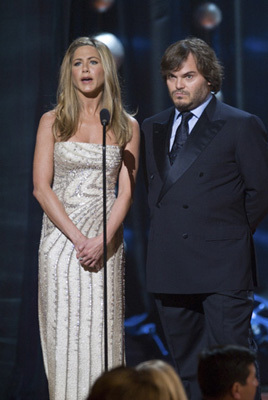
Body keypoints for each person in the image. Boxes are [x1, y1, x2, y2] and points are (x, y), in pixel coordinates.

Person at [141, 37, 268, 399]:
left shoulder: (240, 124)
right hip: (170, 266)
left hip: (223, 266)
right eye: (171, 77)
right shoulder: (153, 126)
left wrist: (228, 233)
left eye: (188, 76)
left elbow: (261, 191)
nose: (178, 85)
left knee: (233, 368)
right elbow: (156, 195)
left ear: (209, 78)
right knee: (187, 368)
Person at [33, 36, 140, 400]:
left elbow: (125, 193)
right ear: (69, 73)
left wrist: (102, 241)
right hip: (62, 246)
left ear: (105, 69)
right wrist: (80, 240)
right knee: (65, 338)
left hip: (106, 245)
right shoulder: (52, 121)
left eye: (92, 62)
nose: (85, 70)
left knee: (101, 336)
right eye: (77, 63)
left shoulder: (125, 125)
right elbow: (41, 188)